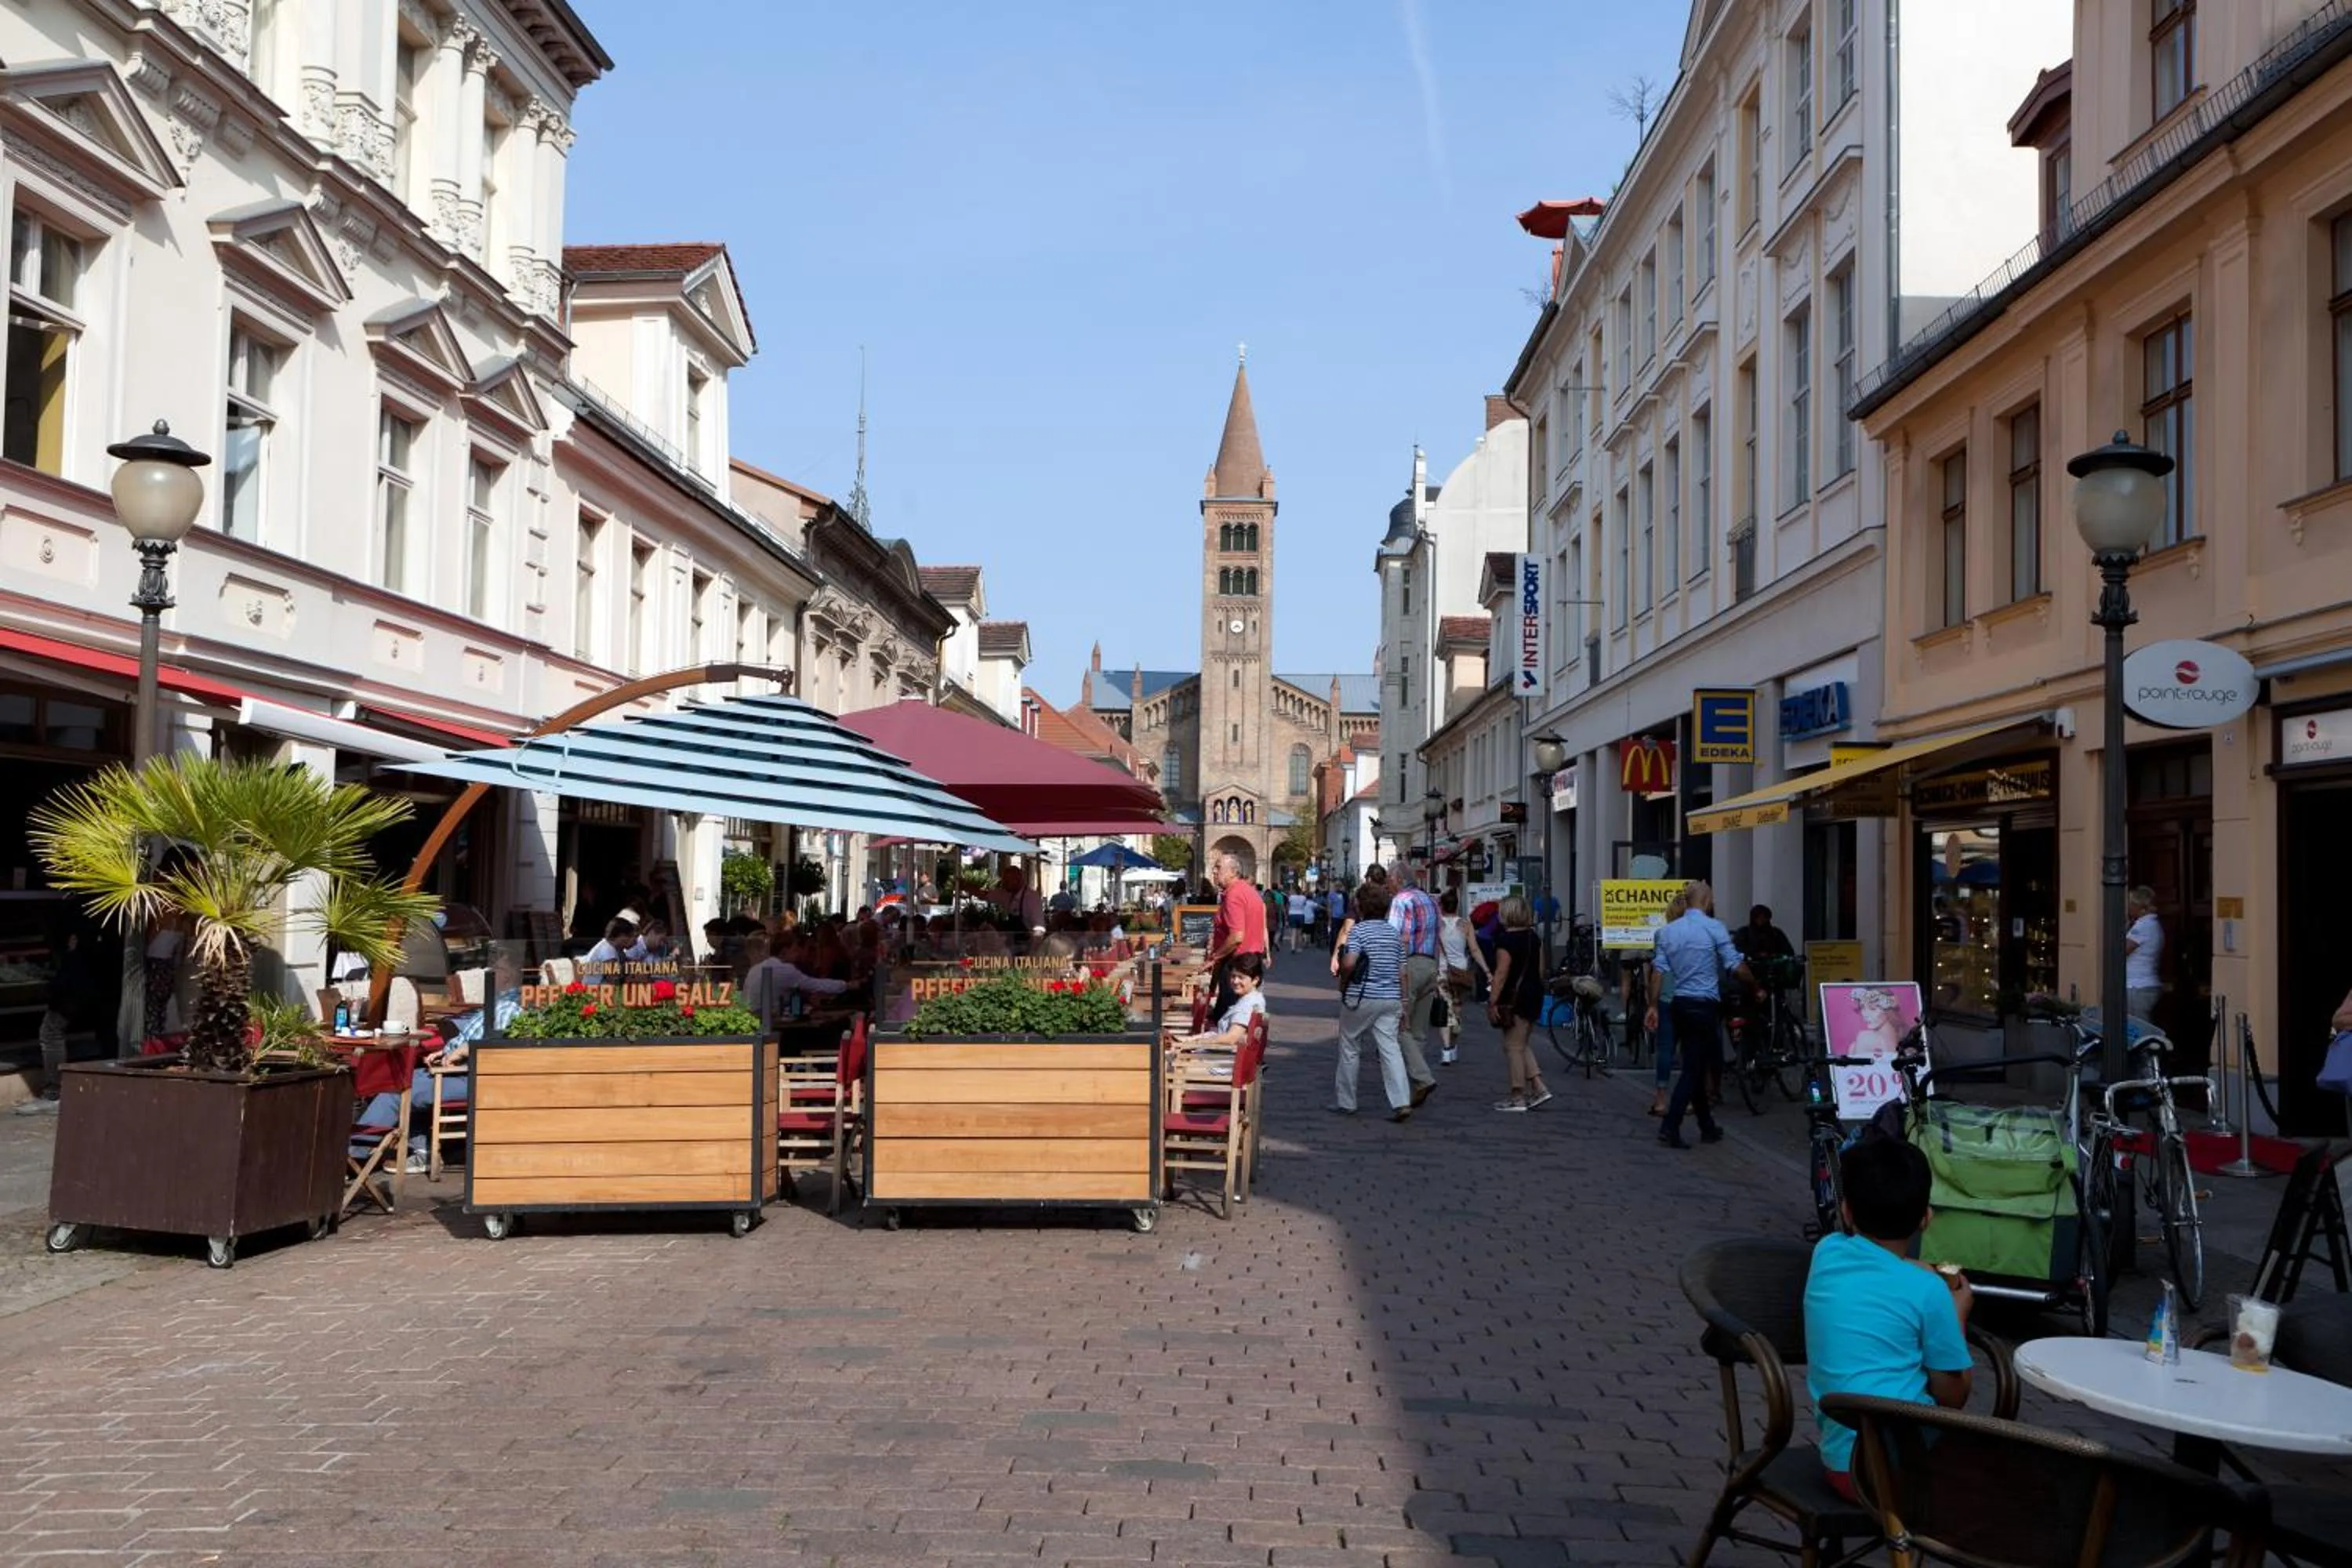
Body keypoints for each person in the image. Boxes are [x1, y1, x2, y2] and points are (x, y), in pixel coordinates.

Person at [1805, 1136, 1975, 1502]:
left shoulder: (1826, 1253)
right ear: (1925, 1218)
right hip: (1901, 1471)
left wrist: (1925, 1273)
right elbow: (1953, 1396)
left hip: (1842, 1462)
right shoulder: (1928, 1293)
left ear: (1847, 1211)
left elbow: (1881, 1264)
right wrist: (1957, 1314)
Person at [354, 948, 524, 1174]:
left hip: (469, 1076)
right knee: (400, 1079)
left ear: (510, 975)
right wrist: (445, 1051)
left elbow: (498, 1049)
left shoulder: (508, 1008)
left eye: (498, 969)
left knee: (396, 1090)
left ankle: (352, 1156)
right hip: (456, 1069)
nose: (491, 972)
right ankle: (420, 1151)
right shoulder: (497, 1003)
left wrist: (464, 1050)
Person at [1646, 880, 1751, 1150]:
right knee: (1693, 1069)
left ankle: (1707, 1126)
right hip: (1703, 1005)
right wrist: (1755, 983)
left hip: (1679, 1004)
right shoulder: (1714, 928)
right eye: (1712, 898)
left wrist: (1653, 1005)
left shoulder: (1669, 931)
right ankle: (1670, 1127)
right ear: (1705, 901)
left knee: (1697, 1060)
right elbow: (1735, 965)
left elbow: (1658, 972)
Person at [1332, 881, 1414, 1120]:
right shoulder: (1393, 933)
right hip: (1390, 999)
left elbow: (1348, 963)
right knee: (1390, 1049)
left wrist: (1344, 978)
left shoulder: (1360, 931)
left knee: (1350, 1045)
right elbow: (1403, 971)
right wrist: (1405, 1002)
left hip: (1362, 996)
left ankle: (1347, 1101)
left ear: (1361, 906)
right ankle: (1401, 1101)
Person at [1486, 896, 1554, 1112]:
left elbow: (1501, 973)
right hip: (1534, 993)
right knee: (1521, 1043)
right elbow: (1541, 969)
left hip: (1514, 997)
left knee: (1513, 1046)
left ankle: (1517, 1096)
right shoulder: (1534, 938)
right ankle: (1539, 1087)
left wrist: (1493, 1000)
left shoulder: (1505, 941)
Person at [1384, 866, 1443, 1107]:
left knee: (1398, 1024)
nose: (1388, 884)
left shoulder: (1401, 900)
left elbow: (1395, 938)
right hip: (1430, 964)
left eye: (1389, 879)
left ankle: (1422, 1077)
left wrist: (1391, 971)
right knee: (1418, 1031)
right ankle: (1414, 1086)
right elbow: (1437, 935)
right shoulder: (1430, 899)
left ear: (1398, 880)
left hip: (1410, 965)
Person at [740, 933, 851, 1033]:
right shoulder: (785, 969)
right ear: (784, 951)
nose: (799, 953)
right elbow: (816, 985)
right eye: (795, 949)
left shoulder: (756, 968)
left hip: (752, 1022)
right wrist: (848, 985)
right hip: (768, 1026)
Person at [1203, 852, 1269, 1017]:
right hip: (1250, 962)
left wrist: (1214, 957)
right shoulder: (1248, 891)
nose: (1214, 871)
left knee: (1229, 1017)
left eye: (1218, 867)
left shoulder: (1234, 895)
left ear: (1233, 872)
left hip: (1238, 964)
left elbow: (1236, 936)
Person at [1646, 891, 1689, 1118]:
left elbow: (1657, 974)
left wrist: (1652, 1003)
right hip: (1694, 999)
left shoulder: (1663, 935)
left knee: (1665, 1049)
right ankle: (1689, 1099)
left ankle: (1661, 1099)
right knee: (1690, 1051)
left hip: (1668, 999)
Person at [1436, 888, 1491, 1066]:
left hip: (1442, 971)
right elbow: (1474, 950)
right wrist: (1487, 970)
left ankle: (1445, 1049)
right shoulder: (1466, 925)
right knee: (1457, 1009)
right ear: (1457, 906)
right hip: (1461, 971)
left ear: (1442, 906)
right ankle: (1452, 1046)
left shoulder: (1437, 925)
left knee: (1445, 1009)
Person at [1170, 951, 1265, 1049]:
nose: (1235, 981)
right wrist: (1189, 1040)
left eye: (1241, 977)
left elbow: (1231, 1038)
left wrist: (1195, 1043)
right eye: (1233, 976)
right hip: (1225, 1050)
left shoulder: (1247, 1005)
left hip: (1225, 1055)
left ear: (1255, 980)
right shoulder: (1255, 998)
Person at [2124, 886, 2163, 1023]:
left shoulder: (2144, 926)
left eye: (2130, 903)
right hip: (2139, 985)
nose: (2128, 907)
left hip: (2138, 987)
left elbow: (2122, 950)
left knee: (2139, 1031)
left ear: (2139, 906)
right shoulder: (2147, 924)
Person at [1286, 888, 1312, 953]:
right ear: (1300, 891)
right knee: (1300, 933)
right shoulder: (1304, 897)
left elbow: (1288, 905)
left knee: (1293, 932)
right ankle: (1299, 948)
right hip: (1301, 914)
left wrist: (1287, 913)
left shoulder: (1291, 897)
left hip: (1292, 914)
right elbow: (1305, 905)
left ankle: (1293, 948)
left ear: (1294, 891)